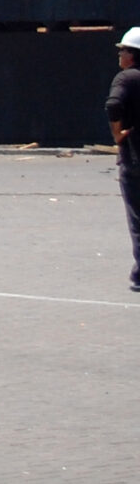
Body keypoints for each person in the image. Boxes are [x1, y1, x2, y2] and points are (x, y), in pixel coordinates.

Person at [110, 28, 140, 291]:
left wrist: (118, 134)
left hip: (134, 159)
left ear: (133, 55)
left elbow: (113, 106)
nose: (120, 55)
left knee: (137, 218)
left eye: (123, 50)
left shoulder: (126, 79)